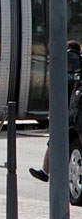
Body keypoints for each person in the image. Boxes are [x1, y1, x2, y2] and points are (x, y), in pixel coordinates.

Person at [29, 40, 82, 182]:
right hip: (67, 110)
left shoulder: (72, 67)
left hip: (68, 111)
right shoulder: (71, 67)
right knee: (58, 141)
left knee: (56, 141)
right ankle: (48, 171)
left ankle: (47, 172)